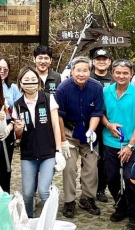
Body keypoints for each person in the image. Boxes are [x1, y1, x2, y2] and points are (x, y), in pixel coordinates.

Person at [102, 59, 135, 230]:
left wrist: (130, 146)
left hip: (132, 144)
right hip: (110, 142)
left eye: (125, 73)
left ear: (131, 74)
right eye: (118, 72)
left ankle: (133, 214)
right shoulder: (105, 91)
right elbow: (100, 114)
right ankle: (120, 205)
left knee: (130, 179)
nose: (121, 76)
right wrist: (108, 125)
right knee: (112, 178)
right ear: (113, 73)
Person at [12, 66, 65, 218]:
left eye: (33, 80)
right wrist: (18, 129)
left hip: (48, 152)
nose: (30, 83)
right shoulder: (17, 104)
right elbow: (18, 135)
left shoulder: (48, 99)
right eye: (26, 80)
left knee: (43, 190)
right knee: (28, 194)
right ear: (20, 83)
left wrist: (58, 150)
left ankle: (50, 222)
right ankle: (29, 221)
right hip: (28, 154)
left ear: (39, 82)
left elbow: (55, 126)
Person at [54, 57, 104, 218]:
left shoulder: (96, 87)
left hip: (89, 132)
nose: (81, 74)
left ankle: (87, 198)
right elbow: (59, 116)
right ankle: (69, 200)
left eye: (85, 70)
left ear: (89, 71)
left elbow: (97, 112)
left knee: (91, 166)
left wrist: (91, 131)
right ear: (72, 71)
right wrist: (62, 140)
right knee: (69, 167)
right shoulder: (63, 88)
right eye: (78, 70)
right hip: (69, 132)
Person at [90, 47, 114, 203]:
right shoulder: (87, 77)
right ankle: (88, 186)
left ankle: (101, 189)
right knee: (90, 156)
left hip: (108, 123)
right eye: (98, 59)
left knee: (104, 158)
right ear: (93, 61)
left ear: (109, 62)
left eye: (104, 59)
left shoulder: (114, 79)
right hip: (90, 123)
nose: (101, 62)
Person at [0, 56, 20, 186]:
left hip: (8, 130)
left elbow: (19, 110)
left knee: (6, 167)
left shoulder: (13, 88)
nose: (2, 71)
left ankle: (5, 195)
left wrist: (10, 127)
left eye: (6, 69)